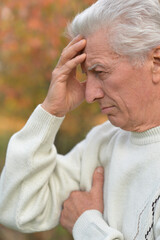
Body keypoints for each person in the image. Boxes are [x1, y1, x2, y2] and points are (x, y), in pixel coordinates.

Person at [1, 0, 160, 239]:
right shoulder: (101, 141)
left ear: (156, 61)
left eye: (100, 71)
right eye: (87, 75)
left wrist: (86, 225)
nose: (89, 95)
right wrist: (50, 112)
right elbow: (19, 209)